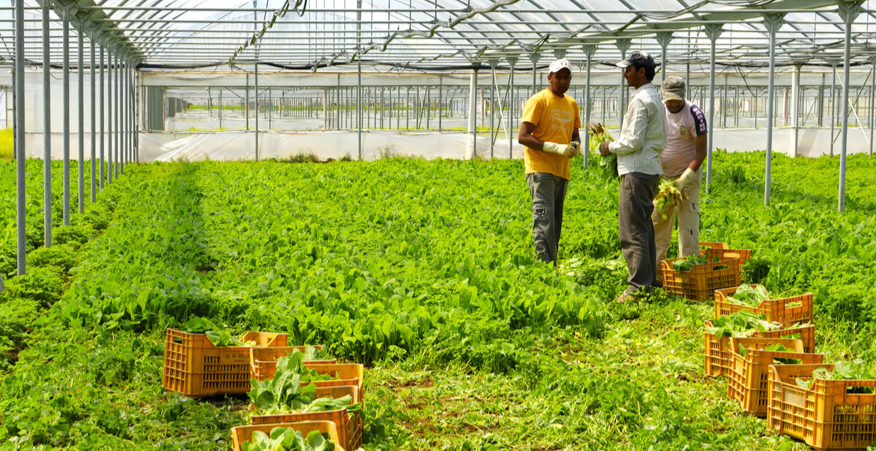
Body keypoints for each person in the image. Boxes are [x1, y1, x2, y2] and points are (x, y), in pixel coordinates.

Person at [598, 51, 666, 302]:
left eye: (629, 69)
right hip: (649, 169)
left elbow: (633, 141)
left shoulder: (641, 100)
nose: (625, 74)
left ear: (641, 71)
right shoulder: (653, 97)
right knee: (645, 227)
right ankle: (649, 281)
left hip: (637, 170)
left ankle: (637, 286)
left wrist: (609, 146)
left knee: (632, 230)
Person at [518, 58, 582, 265]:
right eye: (558, 77)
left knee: (555, 220)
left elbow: (575, 133)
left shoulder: (572, 104)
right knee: (544, 217)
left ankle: (551, 262)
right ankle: (544, 267)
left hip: (562, 170)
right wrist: (554, 147)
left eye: (566, 77)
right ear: (550, 78)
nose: (562, 81)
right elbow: (523, 136)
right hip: (540, 169)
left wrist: (574, 146)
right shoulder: (539, 101)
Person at [652, 76, 707, 280]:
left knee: (688, 224)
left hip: (689, 176)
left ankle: (688, 274)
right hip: (664, 177)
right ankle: (657, 274)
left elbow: (701, 152)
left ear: (684, 96)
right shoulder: (658, 112)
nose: (673, 104)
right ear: (663, 97)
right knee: (659, 220)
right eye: (669, 100)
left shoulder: (694, 114)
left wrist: (683, 180)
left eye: (677, 99)